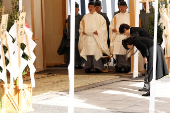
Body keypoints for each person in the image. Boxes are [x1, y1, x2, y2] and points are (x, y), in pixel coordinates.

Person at [78, 0, 110, 73]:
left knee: (96, 52)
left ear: (95, 8)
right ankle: (88, 67)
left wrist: (98, 31)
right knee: (88, 51)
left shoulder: (100, 17)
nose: (90, 8)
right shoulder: (85, 17)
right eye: (89, 7)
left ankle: (97, 67)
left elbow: (103, 28)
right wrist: (82, 31)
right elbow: (81, 27)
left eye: (91, 7)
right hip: (87, 38)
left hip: (95, 38)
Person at [109, 1, 131, 73]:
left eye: (123, 7)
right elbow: (111, 26)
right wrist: (113, 29)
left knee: (126, 51)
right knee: (118, 51)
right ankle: (119, 66)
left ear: (126, 7)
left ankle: (127, 66)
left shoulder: (130, 15)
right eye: (120, 7)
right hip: (118, 36)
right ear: (118, 7)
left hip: (126, 36)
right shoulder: (116, 16)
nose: (122, 8)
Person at [65, 2, 82, 69]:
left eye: (75, 9)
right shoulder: (69, 18)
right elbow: (66, 27)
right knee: (71, 51)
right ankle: (72, 64)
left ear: (78, 10)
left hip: (78, 37)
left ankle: (79, 64)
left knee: (78, 51)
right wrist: (66, 32)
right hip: (70, 37)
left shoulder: (81, 18)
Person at [94, 0, 111, 66]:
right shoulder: (91, 16)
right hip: (94, 36)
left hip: (102, 36)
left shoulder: (104, 16)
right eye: (95, 7)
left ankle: (102, 64)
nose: (96, 9)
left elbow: (107, 27)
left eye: (98, 7)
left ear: (101, 8)